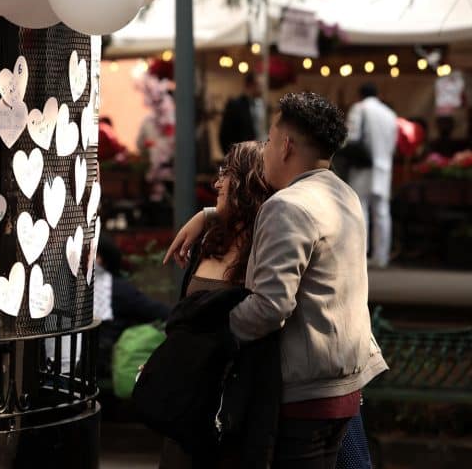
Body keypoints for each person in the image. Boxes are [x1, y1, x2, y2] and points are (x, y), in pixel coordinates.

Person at [166, 92, 388, 469]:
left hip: (303, 395)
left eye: (269, 140)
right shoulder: (343, 194)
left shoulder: (287, 206)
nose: (265, 149)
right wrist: (210, 214)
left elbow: (270, 307)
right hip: (345, 387)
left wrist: (213, 341)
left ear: (285, 146)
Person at [158, 141, 277, 468]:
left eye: (226, 173)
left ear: (246, 181)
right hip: (188, 397)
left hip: (230, 407)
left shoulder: (266, 245)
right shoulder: (209, 239)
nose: (217, 183)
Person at [346, 83, 398, 269]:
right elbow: (393, 143)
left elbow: (351, 137)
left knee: (360, 210)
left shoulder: (359, 109)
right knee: (382, 212)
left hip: (363, 167)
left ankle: (360, 255)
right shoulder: (390, 114)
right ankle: (381, 256)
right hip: (383, 168)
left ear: (360, 94)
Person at [218, 73, 264, 155]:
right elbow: (224, 135)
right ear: (251, 85)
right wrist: (231, 158)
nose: (262, 89)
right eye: (260, 85)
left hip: (253, 157)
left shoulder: (259, 106)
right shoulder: (235, 105)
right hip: (239, 158)